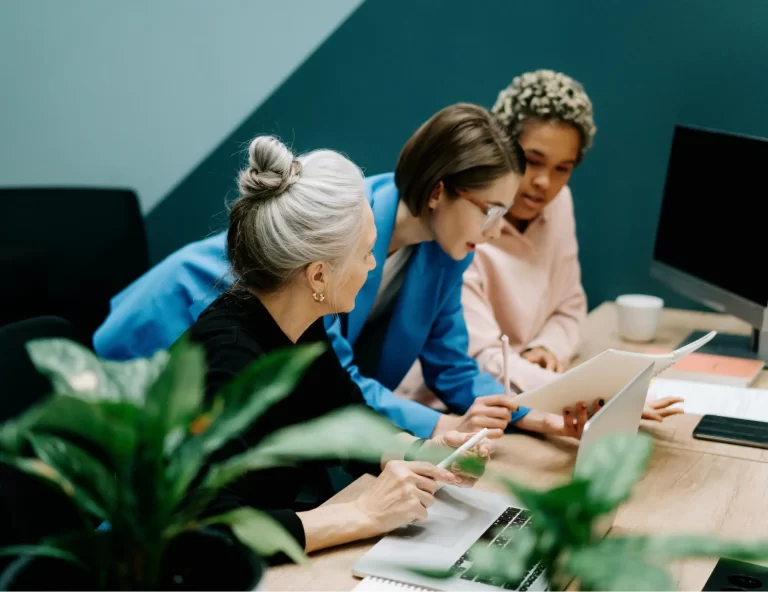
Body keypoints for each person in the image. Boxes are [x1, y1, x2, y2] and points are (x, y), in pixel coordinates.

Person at [95, 104, 593, 440]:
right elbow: (340, 377)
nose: (495, 231)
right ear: (439, 191)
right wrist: (440, 428)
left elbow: (452, 366)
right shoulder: (345, 235)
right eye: (490, 211)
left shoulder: (447, 252)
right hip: (175, 319)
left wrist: (533, 417)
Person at [191, 135, 490, 557]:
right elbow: (208, 529)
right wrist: (363, 514)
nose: (373, 265)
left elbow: (346, 415)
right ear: (318, 276)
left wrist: (421, 452)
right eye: (366, 253)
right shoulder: (226, 359)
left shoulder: (301, 324)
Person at [398, 70, 682, 422]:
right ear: (502, 150)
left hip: (522, 393)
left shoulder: (559, 204)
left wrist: (546, 347)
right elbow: (477, 358)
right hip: (448, 406)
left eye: (563, 168)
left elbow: (569, 305)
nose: (545, 183)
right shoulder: (463, 227)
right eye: (532, 161)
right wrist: (591, 392)